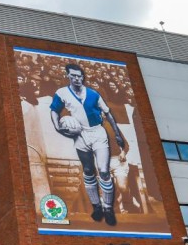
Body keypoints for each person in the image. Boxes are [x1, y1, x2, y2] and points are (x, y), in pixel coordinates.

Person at [50, 63, 129, 226]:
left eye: (80, 76)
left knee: (104, 171)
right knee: (88, 170)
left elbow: (108, 113)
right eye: (73, 76)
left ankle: (108, 209)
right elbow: (54, 110)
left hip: (97, 133)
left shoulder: (93, 94)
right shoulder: (62, 93)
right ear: (68, 76)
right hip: (80, 134)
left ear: (82, 77)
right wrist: (57, 126)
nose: (77, 78)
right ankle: (97, 207)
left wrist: (116, 134)